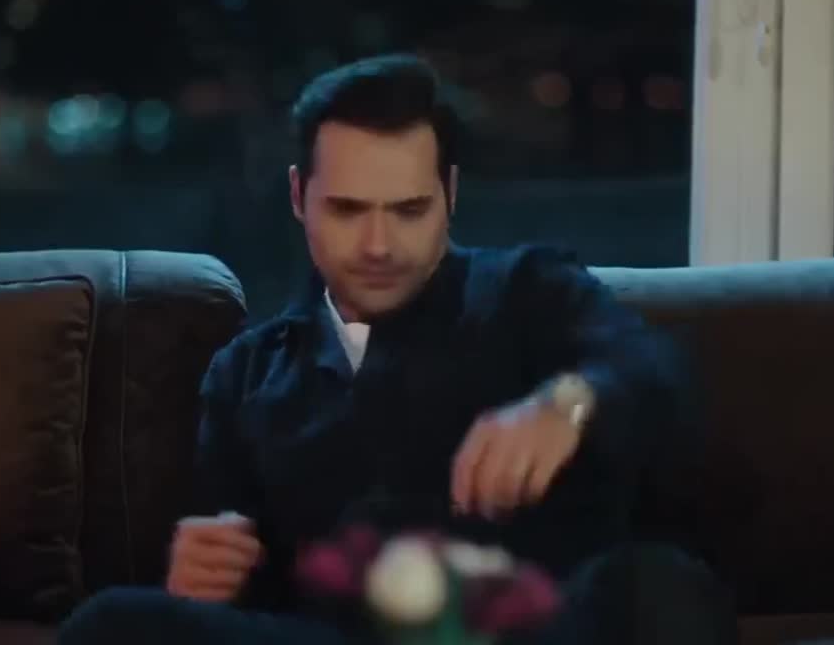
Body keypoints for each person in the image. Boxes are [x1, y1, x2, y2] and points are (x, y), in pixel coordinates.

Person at [59, 54, 737, 644]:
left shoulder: (529, 292)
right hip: (338, 636)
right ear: (298, 196)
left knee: (658, 585)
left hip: (531, 631)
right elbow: (246, 583)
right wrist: (203, 579)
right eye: (348, 210)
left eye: (409, 210)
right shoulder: (247, 374)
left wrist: (571, 402)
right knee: (112, 625)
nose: (379, 246)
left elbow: (655, 371)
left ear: (450, 194)